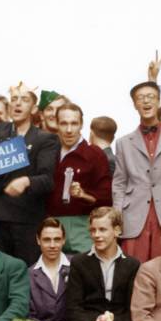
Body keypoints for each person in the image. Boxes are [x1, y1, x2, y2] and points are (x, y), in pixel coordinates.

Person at [112, 81, 161, 262]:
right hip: (132, 217)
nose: (146, 102)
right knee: (133, 272)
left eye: (150, 97)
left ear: (158, 101)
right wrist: (117, 220)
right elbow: (119, 184)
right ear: (134, 104)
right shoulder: (123, 143)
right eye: (140, 98)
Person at [0, 82, 59, 265]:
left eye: (24, 100)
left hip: (27, 222)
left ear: (33, 108)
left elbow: (47, 181)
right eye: (14, 99)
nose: (17, 104)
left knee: (25, 274)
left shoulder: (46, 139)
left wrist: (26, 181)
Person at [65, 207, 140, 321]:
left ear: (117, 231)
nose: (96, 235)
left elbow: (132, 307)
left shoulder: (132, 265)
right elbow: (73, 306)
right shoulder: (79, 262)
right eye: (93, 230)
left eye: (102, 229)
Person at [46, 103, 112, 253]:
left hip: (83, 225)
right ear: (56, 124)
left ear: (81, 124)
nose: (69, 130)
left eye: (74, 123)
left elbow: (107, 196)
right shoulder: (48, 152)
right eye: (64, 123)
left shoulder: (95, 154)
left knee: (84, 272)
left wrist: (84, 195)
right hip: (50, 224)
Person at [29, 218, 74, 321]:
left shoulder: (76, 266)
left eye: (57, 239)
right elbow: (25, 311)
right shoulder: (29, 274)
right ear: (38, 240)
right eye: (47, 240)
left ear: (64, 240)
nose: (53, 245)